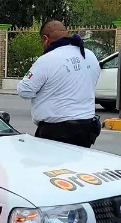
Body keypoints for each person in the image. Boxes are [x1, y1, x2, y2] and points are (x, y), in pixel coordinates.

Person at [16, 20, 102, 148]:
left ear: (46, 39)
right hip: (87, 128)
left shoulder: (47, 60)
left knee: (51, 161)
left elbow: (24, 90)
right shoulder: (89, 55)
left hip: (57, 131)